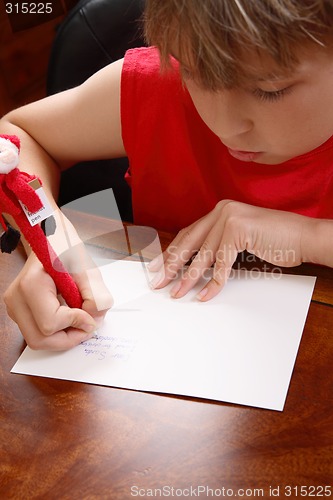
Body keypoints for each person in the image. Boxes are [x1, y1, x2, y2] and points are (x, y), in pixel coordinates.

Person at [1, 0, 333, 350]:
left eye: (270, 90)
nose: (224, 127)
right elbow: (19, 138)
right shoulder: (160, 84)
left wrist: (309, 238)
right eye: (193, 72)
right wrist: (52, 243)